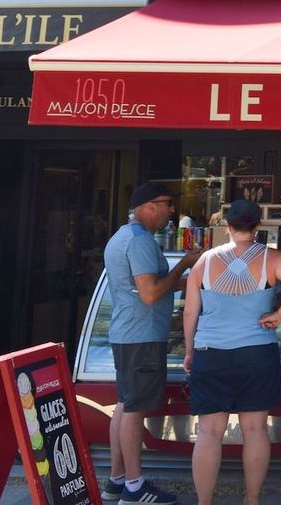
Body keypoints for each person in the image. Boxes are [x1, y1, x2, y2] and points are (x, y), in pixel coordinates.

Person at [183, 201, 281, 505]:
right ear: (257, 227)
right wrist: (279, 315)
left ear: (226, 226)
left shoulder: (204, 261)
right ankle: (252, 500)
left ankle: (204, 502)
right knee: (255, 429)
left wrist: (190, 350)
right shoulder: (272, 258)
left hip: (210, 353)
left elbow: (190, 311)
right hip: (256, 354)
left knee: (209, 432)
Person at [102, 183, 202, 505]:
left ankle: (117, 480)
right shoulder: (140, 241)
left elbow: (153, 286)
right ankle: (134, 486)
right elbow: (150, 293)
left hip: (126, 333)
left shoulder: (122, 236)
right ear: (148, 206)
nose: (171, 210)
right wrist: (184, 265)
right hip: (141, 335)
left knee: (124, 405)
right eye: (167, 203)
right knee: (134, 410)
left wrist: (193, 279)